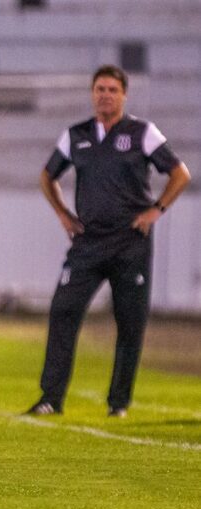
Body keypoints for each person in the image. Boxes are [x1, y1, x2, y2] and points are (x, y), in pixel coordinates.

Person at [26, 65, 191, 418]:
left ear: (124, 95)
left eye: (112, 90)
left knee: (130, 321)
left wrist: (156, 210)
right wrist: (62, 213)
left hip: (130, 242)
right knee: (63, 311)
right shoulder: (77, 135)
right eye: (100, 89)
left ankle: (119, 404)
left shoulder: (142, 132)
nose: (105, 95)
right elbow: (47, 174)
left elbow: (180, 173)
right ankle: (50, 398)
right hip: (87, 242)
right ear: (92, 93)